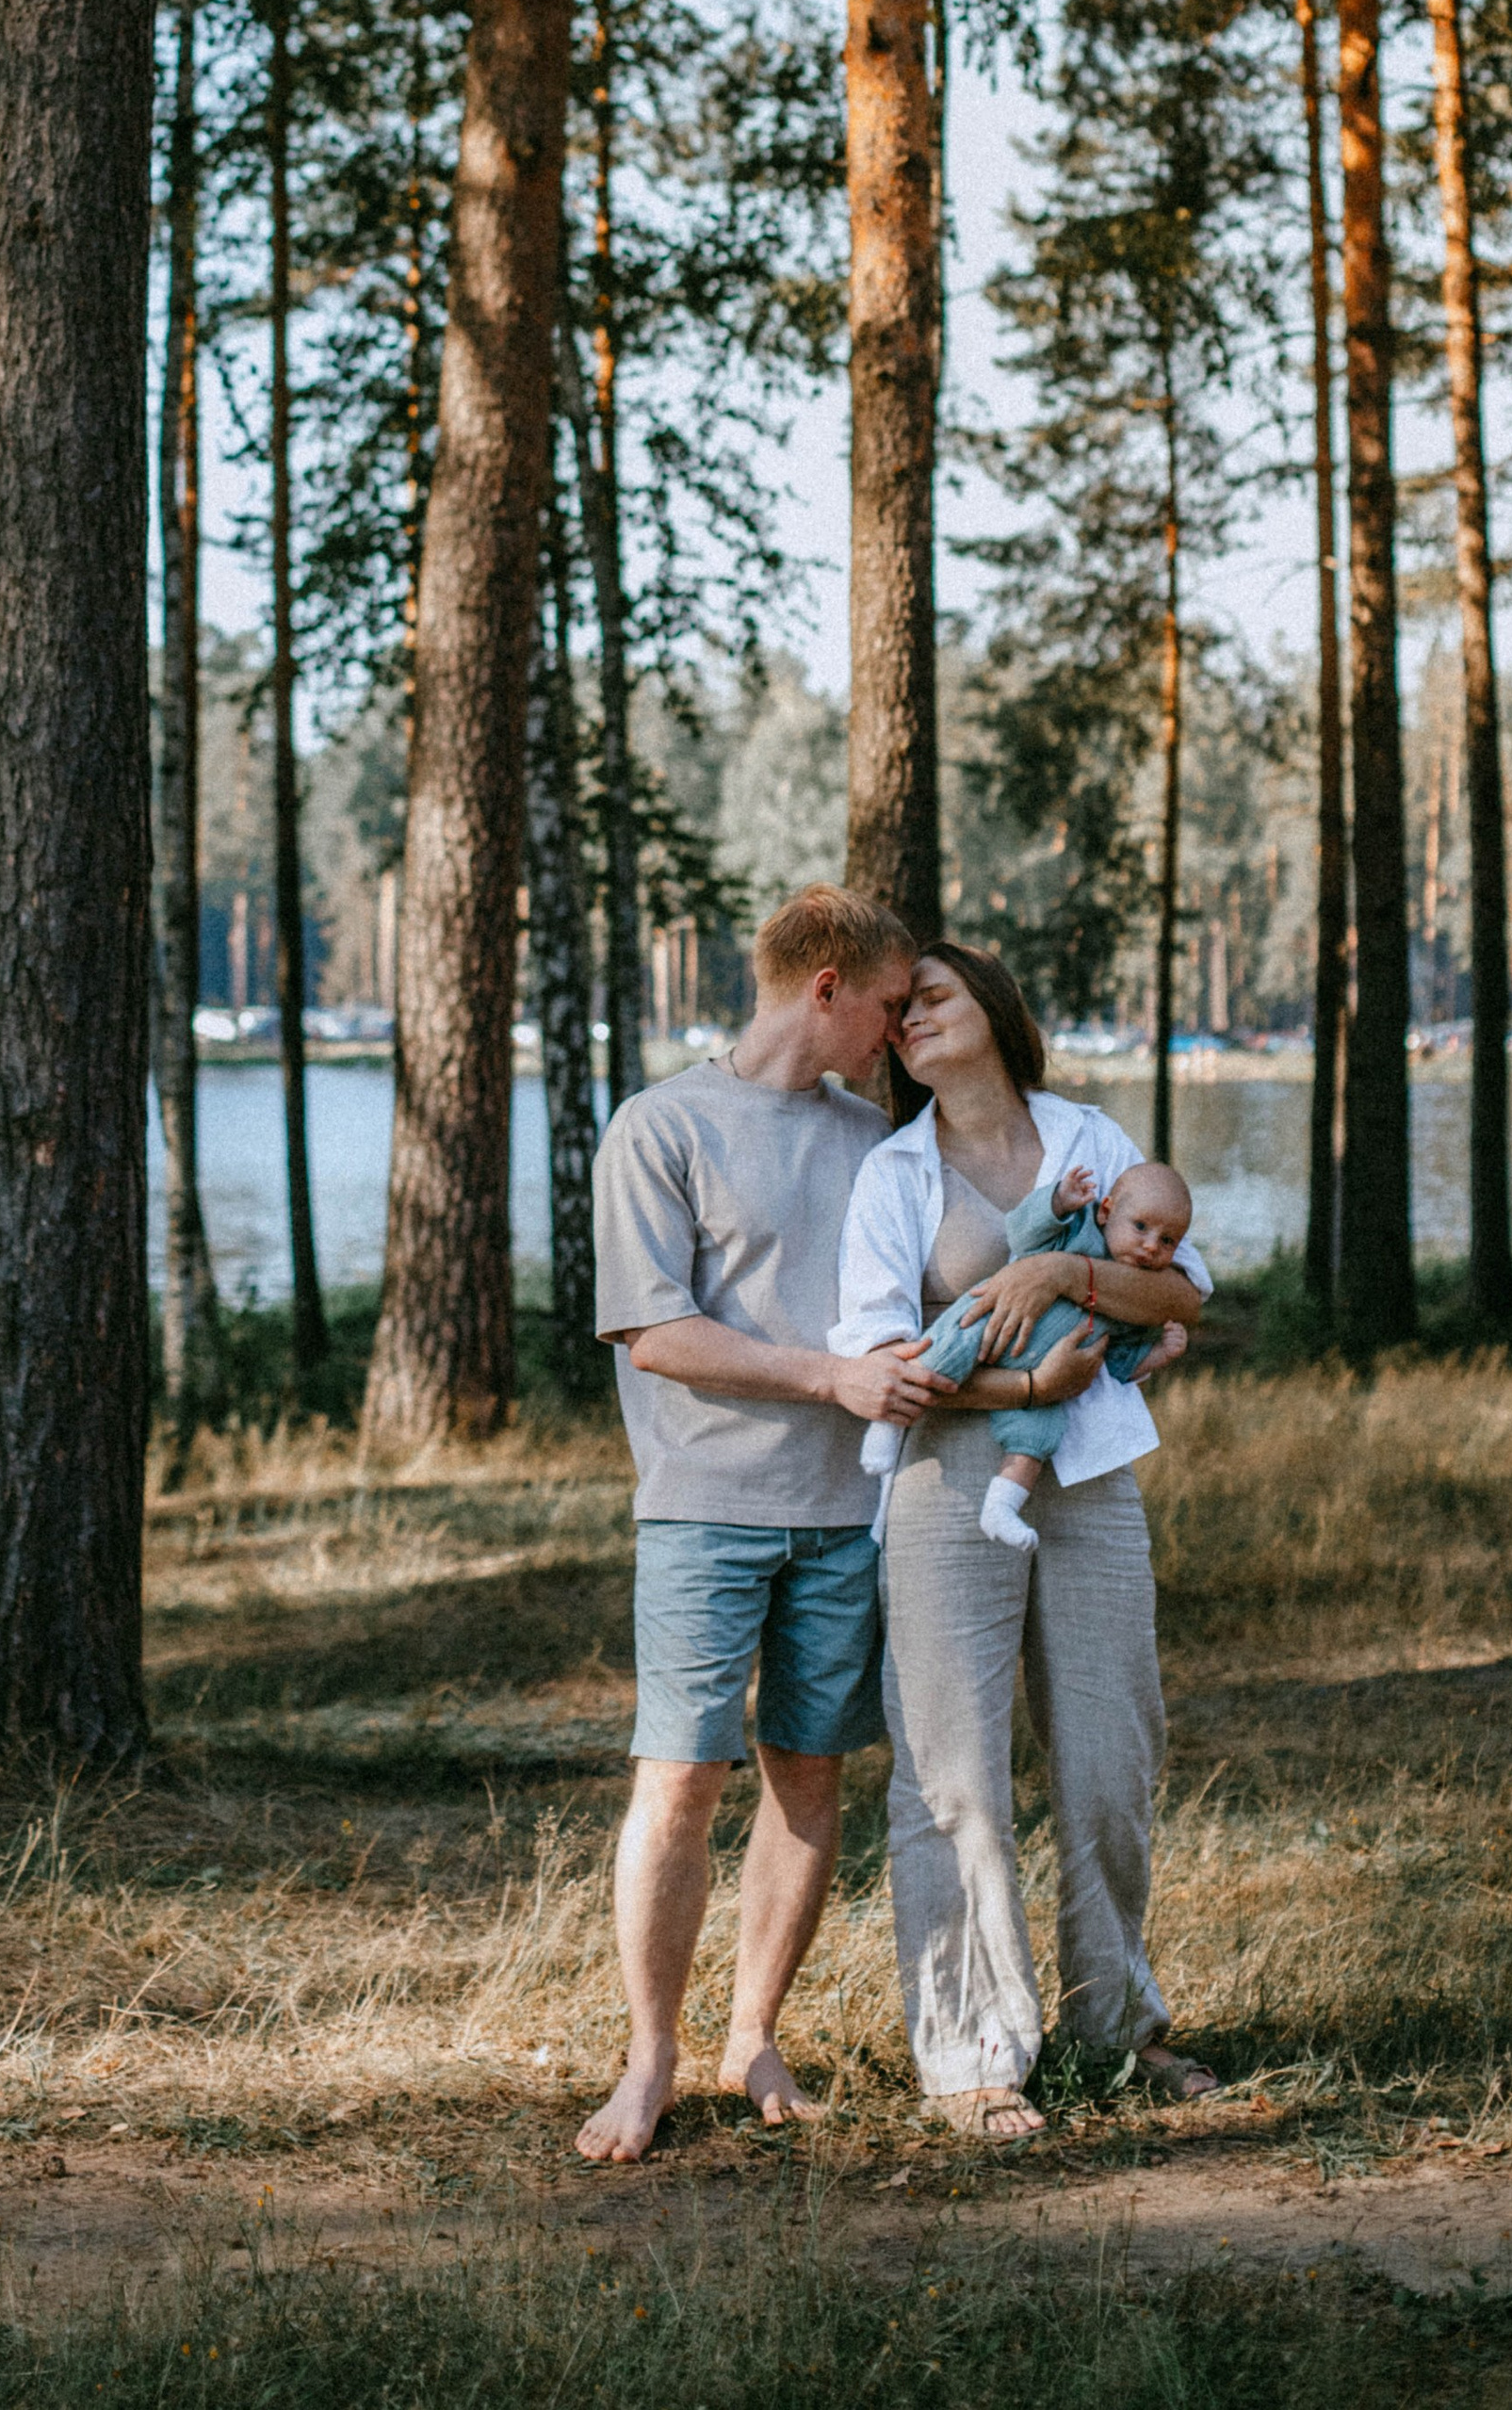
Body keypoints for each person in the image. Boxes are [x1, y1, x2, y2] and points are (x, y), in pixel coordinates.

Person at [576, 883, 1023, 2167]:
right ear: (825, 991)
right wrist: (831, 1378)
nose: (900, 1030)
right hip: (704, 1512)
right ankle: (649, 2059)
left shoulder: (880, 1138)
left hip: (851, 1515)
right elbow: (655, 1331)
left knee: (809, 1776)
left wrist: (1118, 1303)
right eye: (885, 1005)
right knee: (680, 1781)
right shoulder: (662, 1126)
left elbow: (953, 1286)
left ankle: (751, 2037)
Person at [831, 942, 1217, 2141]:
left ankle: (1118, 2027)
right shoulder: (893, 1173)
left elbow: (1180, 1292)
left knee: (1110, 1756)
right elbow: (884, 1365)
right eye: (898, 1012)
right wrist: (1024, 1387)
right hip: (945, 1483)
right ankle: (972, 2053)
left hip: (1088, 1477)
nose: (908, 1021)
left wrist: (1057, 1269)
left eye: (931, 999)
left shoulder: (1091, 1141)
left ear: (994, 1009)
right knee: (954, 1776)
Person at [855, 1159, 1195, 1549]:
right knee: (945, 1353)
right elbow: (1021, 1234)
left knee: (1037, 1440)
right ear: (1106, 1211)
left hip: (1047, 1382)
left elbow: (1118, 1363)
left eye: (1168, 1241)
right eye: (1141, 1227)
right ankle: (891, 1422)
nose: (1151, 1246)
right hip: (988, 1322)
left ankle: (1001, 1506)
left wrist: (1159, 1354)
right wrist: (1056, 1203)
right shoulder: (1078, 1231)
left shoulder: (1130, 1300)